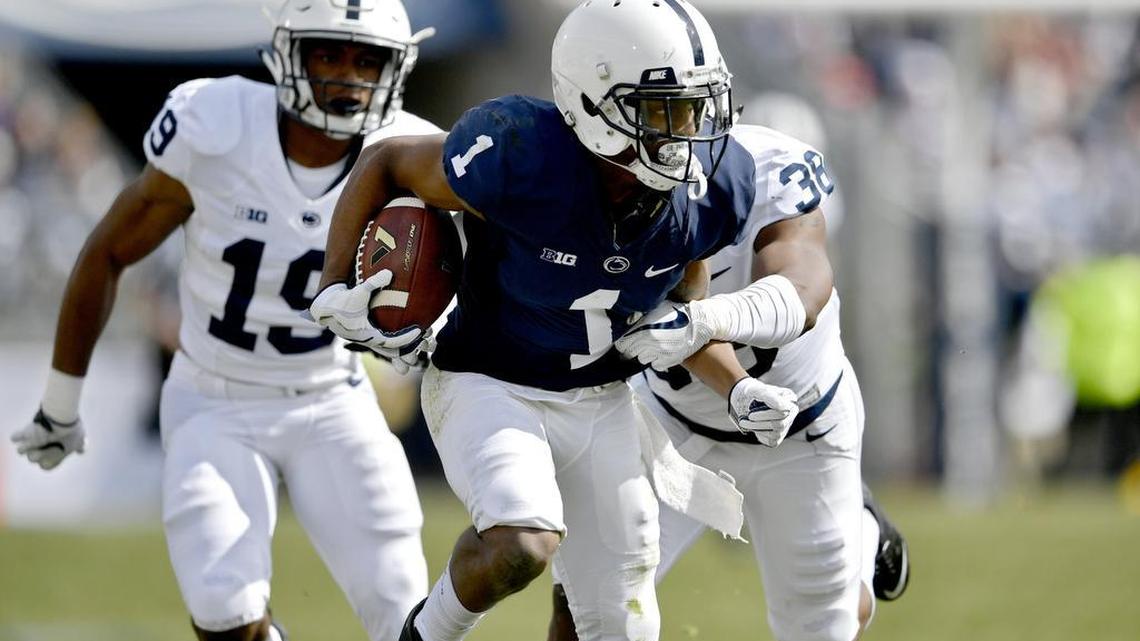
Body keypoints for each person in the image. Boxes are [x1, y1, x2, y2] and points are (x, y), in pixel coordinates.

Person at [307, 3, 802, 640]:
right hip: (489, 380)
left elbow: (681, 321)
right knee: (524, 541)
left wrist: (737, 386)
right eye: (665, 110)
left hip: (603, 403)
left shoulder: (704, 195)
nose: (689, 132)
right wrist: (334, 284)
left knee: (618, 626)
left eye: (696, 108)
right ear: (595, 105)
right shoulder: (518, 152)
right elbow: (387, 162)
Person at [10, 1, 438, 640]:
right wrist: (59, 403)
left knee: (405, 612)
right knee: (222, 611)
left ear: (396, 68)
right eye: (328, 53)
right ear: (287, 53)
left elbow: (478, 265)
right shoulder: (216, 126)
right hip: (215, 399)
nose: (349, 74)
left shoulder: (409, 150)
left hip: (331, 399)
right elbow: (108, 252)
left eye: (367, 58)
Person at [547, 123, 911, 641]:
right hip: (672, 427)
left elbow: (804, 291)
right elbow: (665, 328)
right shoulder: (593, 188)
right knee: (583, 599)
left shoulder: (768, 171)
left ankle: (862, 538)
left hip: (802, 427)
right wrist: (734, 381)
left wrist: (708, 321)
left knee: (825, 623)